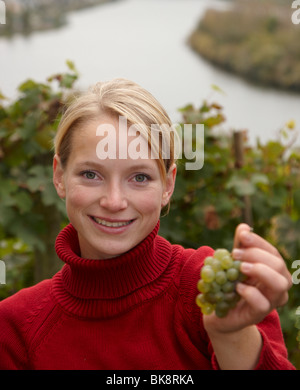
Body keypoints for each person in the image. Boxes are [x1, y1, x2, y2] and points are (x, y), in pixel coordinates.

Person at [0, 78, 295, 370]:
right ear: (59, 176)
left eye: (139, 177)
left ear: (168, 185)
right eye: (91, 174)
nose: (114, 201)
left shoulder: (220, 291)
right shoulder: (14, 328)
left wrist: (231, 336)